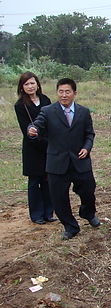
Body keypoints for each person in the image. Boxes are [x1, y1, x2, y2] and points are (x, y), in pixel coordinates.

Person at [28, 78, 100, 240]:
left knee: (88, 190)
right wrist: (32, 129)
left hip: (80, 160)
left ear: (74, 93)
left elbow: (89, 134)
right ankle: (70, 226)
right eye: (61, 91)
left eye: (67, 92)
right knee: (59, 198)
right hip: (57, 163)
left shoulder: (83, 112)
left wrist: (86, 148)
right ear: (57, 93)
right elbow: (37, 124)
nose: (64, 95)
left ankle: (88, 213)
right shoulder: (48, 111)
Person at [14, 72, 55, 225]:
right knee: (34, 182)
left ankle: (49, 212)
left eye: (32, 83)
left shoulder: (46, 100)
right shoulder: (20, 106)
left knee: (47, 180)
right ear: (22, 87)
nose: (30, 87)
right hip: (32, 148)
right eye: (26, 84)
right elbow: (26, 130)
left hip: (49, 146)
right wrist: (42, 140)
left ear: (37, 84)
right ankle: (36, 214)